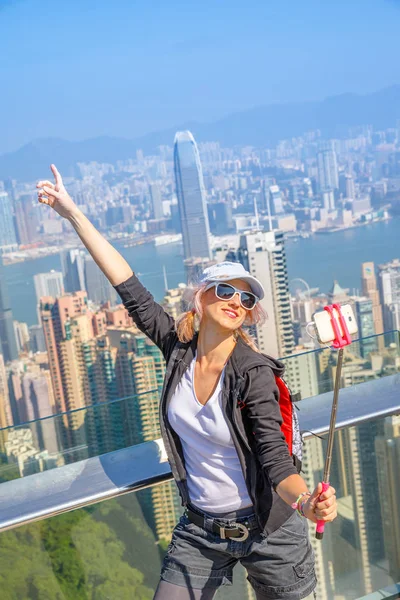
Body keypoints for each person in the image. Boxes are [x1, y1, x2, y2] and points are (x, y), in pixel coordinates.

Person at [37, 165, 337, 600]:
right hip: (201, 529)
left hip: (269, 530)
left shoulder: (253, 373)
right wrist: (72, 213)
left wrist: (305, 501)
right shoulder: (178, 350)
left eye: (247, 298)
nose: (237, 301)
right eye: (226, 291)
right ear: (202, 295)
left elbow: (274, 456)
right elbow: (129, 287)